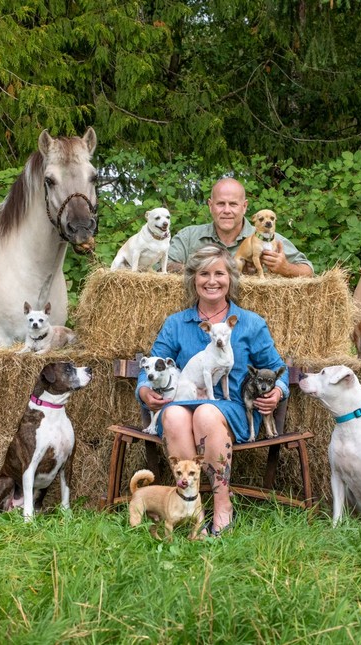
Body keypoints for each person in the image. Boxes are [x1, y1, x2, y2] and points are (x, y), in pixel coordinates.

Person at [137, 244, 290, 536]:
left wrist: (278, 392)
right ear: (193, 278)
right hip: (184, 403)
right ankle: (193, 511)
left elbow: (276, 367)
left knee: (206, 413)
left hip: (232, 409)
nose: (211, 280)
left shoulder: (249, 323)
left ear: (230, 278)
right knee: (174, 416)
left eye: (219, 273)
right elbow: (150, 368)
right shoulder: (176, 323)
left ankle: (222, 506)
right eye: (203, 273)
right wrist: (145, 391)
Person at [167, 178, 314, 277]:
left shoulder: (269, 238)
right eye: (220, 204)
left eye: (233, 204)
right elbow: (162, 266)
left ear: (244, 207)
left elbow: (308, 270)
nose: (226, 210)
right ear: (210, 206)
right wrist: (207, 270)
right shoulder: (188, 236)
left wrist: (286, 268)